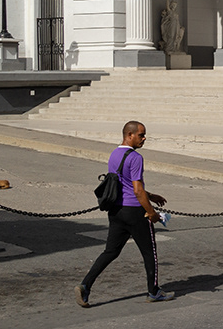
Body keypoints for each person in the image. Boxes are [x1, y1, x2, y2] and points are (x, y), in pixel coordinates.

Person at [77, 121, 173, 307]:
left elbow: (124, 183)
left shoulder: (115, 154)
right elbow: (136, 190)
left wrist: (151, 196)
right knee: (149, 253)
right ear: (129, 135)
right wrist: (151, 212)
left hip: (116, 211)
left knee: (110, 251)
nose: (144, 138)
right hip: (135, 212)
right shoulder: (136, 157)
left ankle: (85, 285)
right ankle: (153, 292)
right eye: (141, 135)